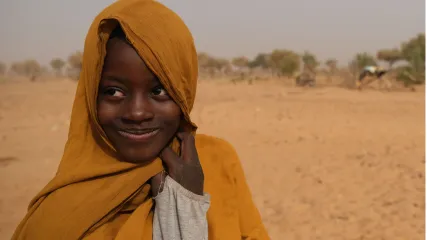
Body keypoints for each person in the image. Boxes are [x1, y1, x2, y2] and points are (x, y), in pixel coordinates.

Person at [11, 0, 270, 240]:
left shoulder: (218, 162)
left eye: (159, 91)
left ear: (184, 93)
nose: (136, 113)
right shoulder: (55, 222)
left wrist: (188, 203)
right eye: (113, 92)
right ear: (90, 96)